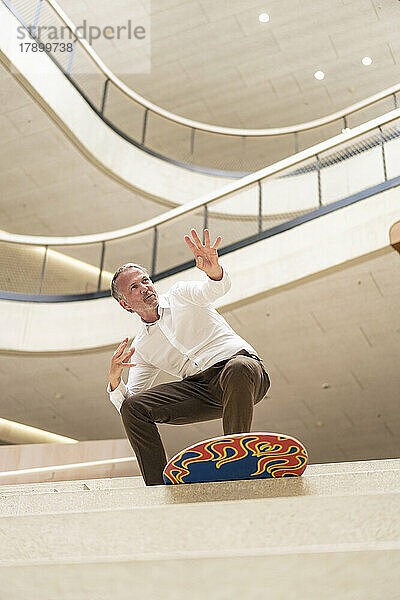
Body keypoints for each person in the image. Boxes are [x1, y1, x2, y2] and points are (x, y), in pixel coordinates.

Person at [107, 228, 270, 485]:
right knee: (134, 408)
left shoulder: (182, 295)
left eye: (146, 280)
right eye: (134, 287)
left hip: (244, 374)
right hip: (202, 391)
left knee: (237, 368)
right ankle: (157, 486)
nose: (145, 288)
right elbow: (129, 403)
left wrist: (214, 270)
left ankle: (236, 459)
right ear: (125, 304)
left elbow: (215, 289)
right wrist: (115, 379)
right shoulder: (144, 346)